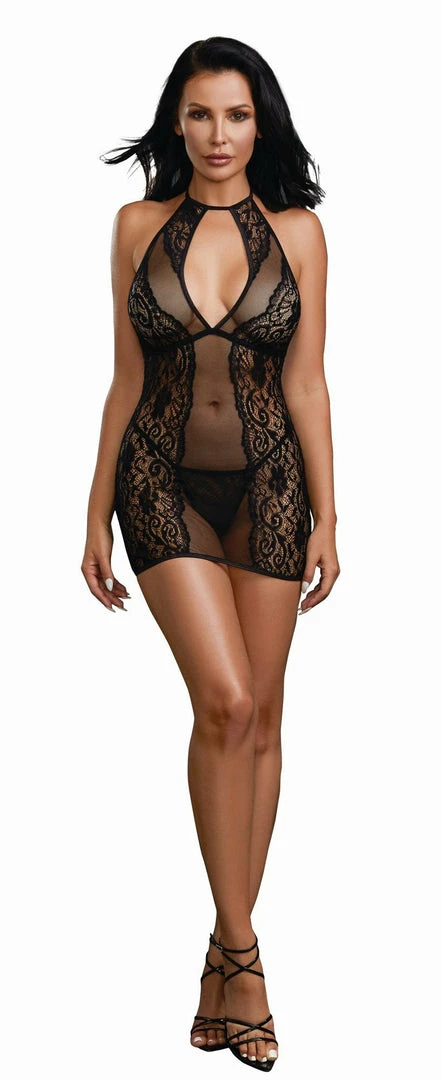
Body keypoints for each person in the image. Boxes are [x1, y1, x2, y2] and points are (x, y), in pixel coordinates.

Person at [81, 35, 340, 1072]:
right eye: (199, 115)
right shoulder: (135, 226)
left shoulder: (301, 234)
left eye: (236, 115)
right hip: (160, 483)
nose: (218, 135)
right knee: (226, 704)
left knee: (263, 721)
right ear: (175, 122)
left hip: (273, 489)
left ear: (259, 122)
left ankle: (219, 971)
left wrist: (329, 516)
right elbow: (125, 380)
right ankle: (247, 960)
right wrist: (91, 513)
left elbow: (307, 382)